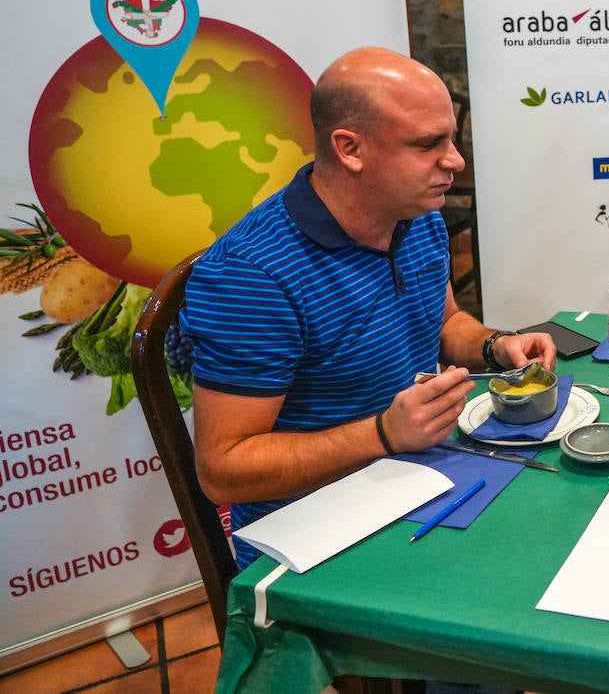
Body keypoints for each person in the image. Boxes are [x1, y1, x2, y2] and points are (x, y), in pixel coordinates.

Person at [181, 47, 556, 568]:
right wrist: (384, 433)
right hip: (315, 534)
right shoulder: (251, 273)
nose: (455, 161)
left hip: (419, 482)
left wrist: (495, 345)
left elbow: (444, 320)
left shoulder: (415, 214)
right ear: (349, 149)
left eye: (451, 138)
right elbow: (222, 470)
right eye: (428, 144)